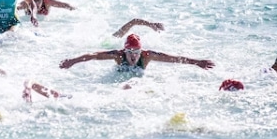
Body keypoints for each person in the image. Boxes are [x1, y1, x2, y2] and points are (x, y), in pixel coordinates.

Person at [59, 34, 215, 88]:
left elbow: (174, 58)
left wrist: (197, 62)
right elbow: (93, 55)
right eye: (130, 52)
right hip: (117, 77)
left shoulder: (147, 56)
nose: (134, 56)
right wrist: (73, 61)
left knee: (133, 86)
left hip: (138, 79)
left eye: (136, 52)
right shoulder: (118, 55)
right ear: (124, 51)